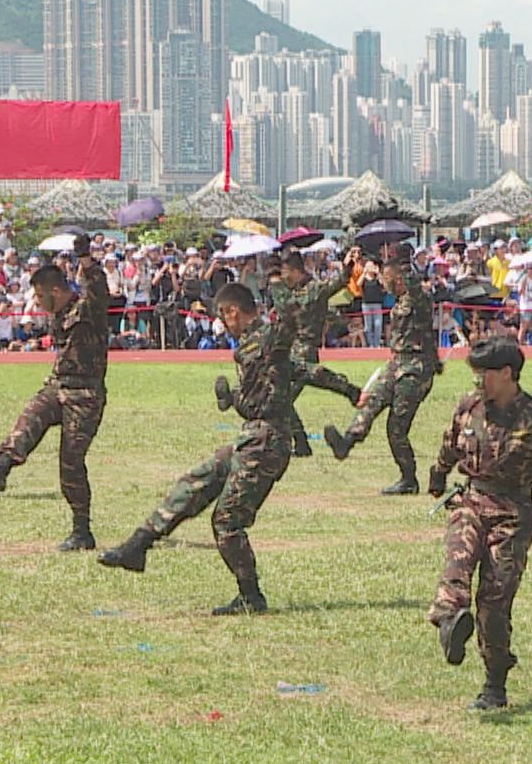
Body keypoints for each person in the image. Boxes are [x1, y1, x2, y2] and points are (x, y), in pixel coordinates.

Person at [97, 284, 290, 615]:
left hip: (266, 441)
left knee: (227, 521)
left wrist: (233, 398)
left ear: (233, 312)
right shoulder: (250, 344)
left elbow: (270, 394)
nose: (222, 324)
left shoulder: (268, 339)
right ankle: (138, 545)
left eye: (223, 316)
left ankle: (251, 597)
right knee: (196, 480)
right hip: (254, 438)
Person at [427, 339, 532, 710]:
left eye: (485, 373)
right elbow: (450, 444)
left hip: (513, 511)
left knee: (495, 600)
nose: (479, 380)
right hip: (471, 500)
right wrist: (437, 476)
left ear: (507, 374)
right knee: (457, 562)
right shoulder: (470, 407)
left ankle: (494, 683)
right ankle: (450, 621)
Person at [0, 250, 112, 552]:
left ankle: (82, 530)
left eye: (41, 296)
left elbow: (99, 289)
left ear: (56, 291)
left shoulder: (88, 308)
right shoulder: (59, 311)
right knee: (31, 415)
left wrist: (87, 262)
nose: (38, 303)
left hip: (85, 394)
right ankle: (1, 465)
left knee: (70, 461)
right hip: (59, 385)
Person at [324, 252, 437, 494]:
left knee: (396, 427)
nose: (383, 285)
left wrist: (405, 267)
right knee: (371, 402)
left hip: (415, 370)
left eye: (387, 279)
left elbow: (416, 291)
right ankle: (346, 442)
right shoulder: (399, 302)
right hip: (396, 363)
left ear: (398, 279)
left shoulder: (419, 298)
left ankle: (409, 479)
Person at [274, 250, 364, 457]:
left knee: (281, 398)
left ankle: (350, 390)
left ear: (296, 271)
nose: (283, 276)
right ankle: (301, 443)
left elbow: (340, 281)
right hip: (291, 350)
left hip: (304, 352)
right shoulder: (292, 292)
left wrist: (348, 265)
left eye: (285, 271)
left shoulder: (316, 289)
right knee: (281, 398)